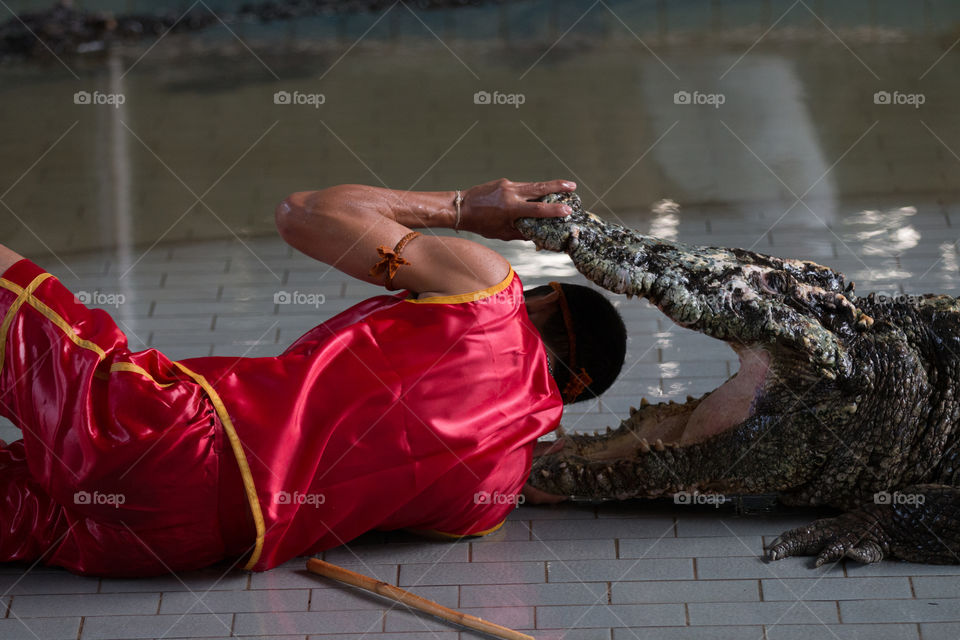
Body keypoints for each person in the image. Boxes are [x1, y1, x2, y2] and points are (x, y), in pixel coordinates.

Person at [0, 178, 627, 577]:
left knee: (12, 296)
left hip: (162, 433)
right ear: (575, 392)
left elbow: (303, 212)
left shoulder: (488, 292)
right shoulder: (488, 496)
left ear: (545, 300)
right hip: (178, 546)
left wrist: (465, 207)